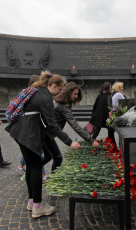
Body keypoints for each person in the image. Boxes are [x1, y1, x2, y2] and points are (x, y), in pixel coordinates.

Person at [6, 71, 81, 218]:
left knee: (31, 165)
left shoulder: (38, 90)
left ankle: (32, 201)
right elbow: (52, 124)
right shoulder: (45, 96)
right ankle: (38, 207)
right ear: (53, 85)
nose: (59, 93)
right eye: (60, 89)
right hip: (28, 133)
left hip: (19, 130)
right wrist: (69, 141)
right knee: (36, 166)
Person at [54, 82, 100, 148]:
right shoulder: (63, 106)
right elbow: (75, 126)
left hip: (49, 135)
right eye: (75, 94)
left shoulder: (58, 102)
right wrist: (91, 141)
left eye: (77, 94)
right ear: (68, 93)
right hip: (47, 135)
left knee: (55, 157)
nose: (76, 96)